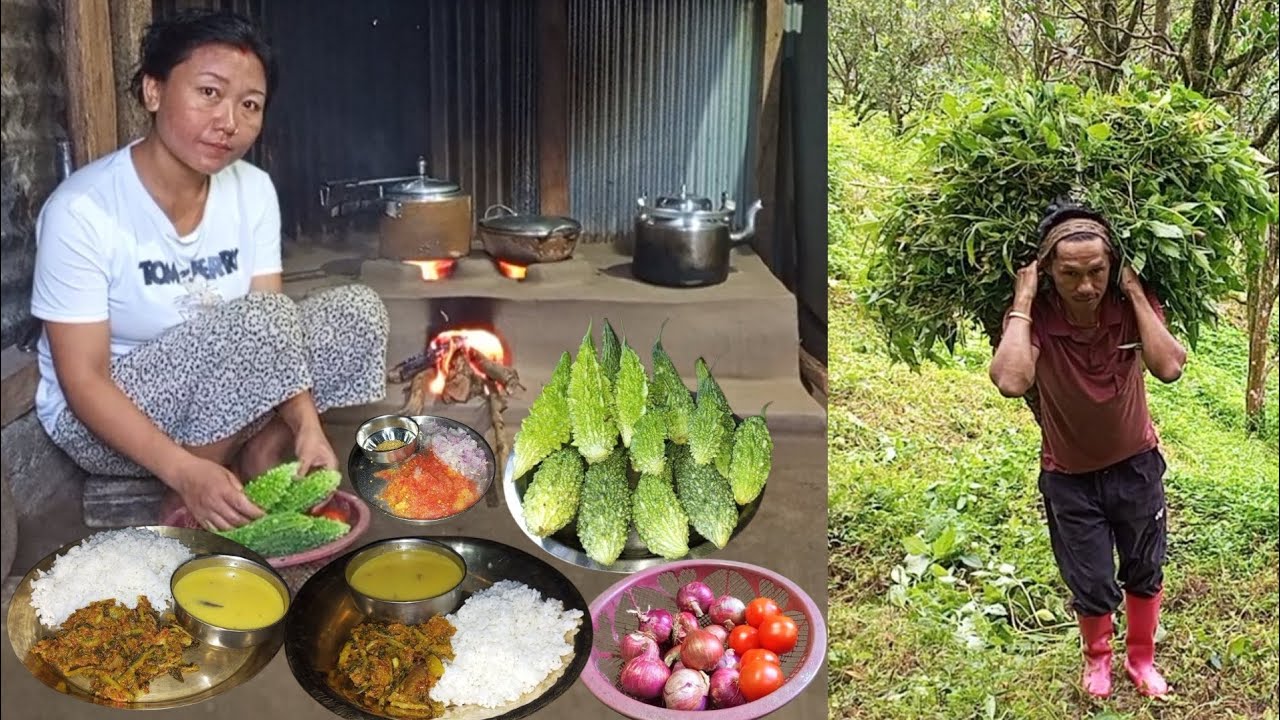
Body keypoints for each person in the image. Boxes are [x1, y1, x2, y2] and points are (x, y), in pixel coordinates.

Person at [30, 9, 388, 532]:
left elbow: (276, 334)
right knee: (258, 320)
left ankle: (262, 459)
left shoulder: (253, 189)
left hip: (227, 393)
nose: (229, 122)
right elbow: (82, 380)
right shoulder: (82, 209)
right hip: (109, 421)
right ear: (153, 91)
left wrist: (307, 426)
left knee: (356, 311)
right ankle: (194, 488)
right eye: (209, 93)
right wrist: (184, 469)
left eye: (249, 105)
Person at [988, 198, 1187, 699]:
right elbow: (1011, 380)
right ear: (1048, 271)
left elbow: (1169, 368)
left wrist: (1136, 293)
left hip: (1137, 466)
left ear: (1112, 267)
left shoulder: (1128, 308)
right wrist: (1025, 298)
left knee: (1144, 568)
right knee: (1091, 578)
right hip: (1069, 476)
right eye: (1070, 273)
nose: (1085, 286)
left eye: (1097, 271)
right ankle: (1097, 660)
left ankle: (1141, 660)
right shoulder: (1038, 316)